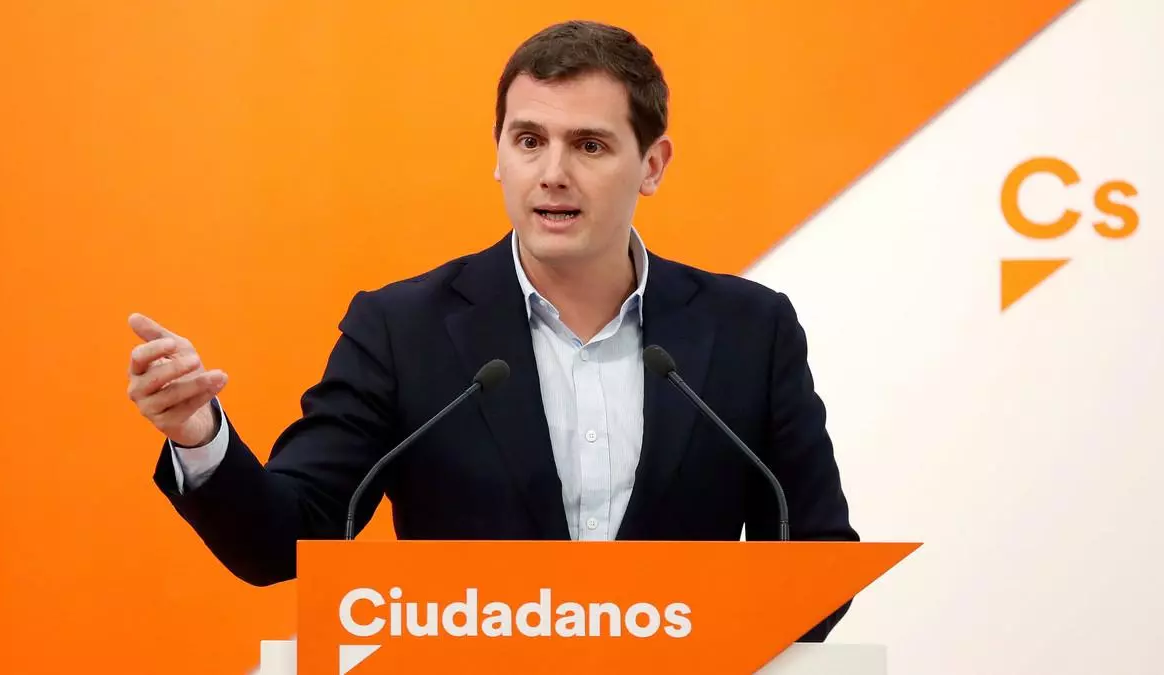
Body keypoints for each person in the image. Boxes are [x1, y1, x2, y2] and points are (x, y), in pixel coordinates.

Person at [126, 20, 858, 640]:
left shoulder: (750, 329)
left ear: (652, 165)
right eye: (529, 140)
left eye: (590, 146)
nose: (553, 172)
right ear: (499, 154)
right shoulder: (402, 331)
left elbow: (817, 560)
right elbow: (285, 542)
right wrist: (199, 435)